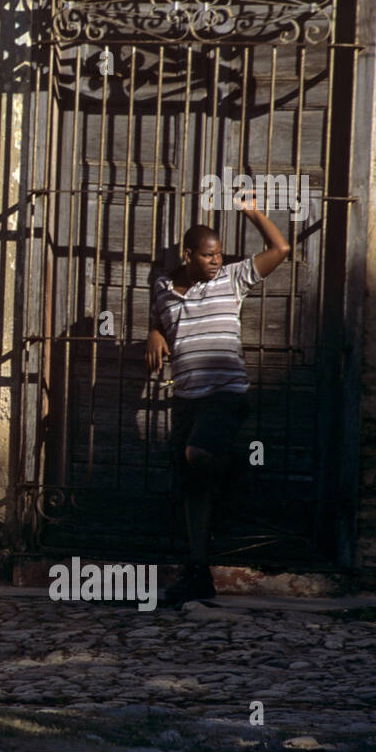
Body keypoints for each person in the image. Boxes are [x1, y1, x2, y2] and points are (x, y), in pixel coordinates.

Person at [145, 196, 291, 607]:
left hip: (225, 394)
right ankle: (198, 572)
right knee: (193, 489)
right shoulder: (163, 289)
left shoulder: (232, 279)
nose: (215, 261)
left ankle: (237, 468)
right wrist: (154, 332)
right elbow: (159, 316)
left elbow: (281, 250)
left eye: (219, 254)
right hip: (187, 399)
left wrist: (254, 213)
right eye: (207, 255)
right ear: (187, 255)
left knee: (197, 455)